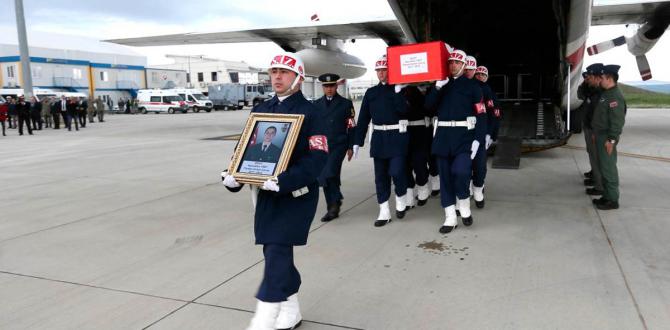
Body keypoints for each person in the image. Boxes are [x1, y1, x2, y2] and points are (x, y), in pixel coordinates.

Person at [221, 51, 328, 330]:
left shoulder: (314, 112)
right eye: (273, 72)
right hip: (265, 194)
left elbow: (318, 159)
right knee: (273, 251)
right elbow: (244, 151)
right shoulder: (260, 109)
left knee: (278, 249)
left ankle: (264, 319)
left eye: (284, 72)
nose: (277, 77)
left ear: (299, 78)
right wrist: (233, 175)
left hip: (296, 195)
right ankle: (291, 310)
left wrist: (286, 180)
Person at [425, 49, 486, 233]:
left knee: (461, 171)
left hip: (464, 138)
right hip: (443, 138)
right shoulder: (440, 85)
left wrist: (478, 139)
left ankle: (464, 204)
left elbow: (481, 115)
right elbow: (428, 107)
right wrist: (437, 87)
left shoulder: (473, 87)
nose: (453, 66)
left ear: (463, 65)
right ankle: (450, 217)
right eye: (451, 62)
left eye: (457, 63)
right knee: (445, 178)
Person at [353, 54, 410, 227]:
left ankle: (401, 197)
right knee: (380, 177)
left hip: (397, 138)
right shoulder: (371, 93)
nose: (381, 74)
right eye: (378, 70)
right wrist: (357, 141)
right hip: (379, 139)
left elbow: (405, 112)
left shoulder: (401, 90)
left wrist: (398, 93)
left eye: (384, 70)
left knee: (397, 171)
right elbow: (363, 119)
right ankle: (384, 211)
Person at [314, 73, 356, 221]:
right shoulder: (316, 105)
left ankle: (334, 203)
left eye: (331, 86)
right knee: (331, 176)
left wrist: (351, 146)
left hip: (338, 145)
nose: (329, 89)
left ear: (336, 86)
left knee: (327, 173)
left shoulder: (346, 104)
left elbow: (351, 126)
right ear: (322, 87)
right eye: (326, 86)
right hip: (322, 146)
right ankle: (333, 205)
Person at [591, 64, 626, 210]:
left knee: (608, 169)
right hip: (600, 136)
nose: (600, 80)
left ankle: (613, 200)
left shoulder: (615, 97)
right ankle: (606, 196)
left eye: (603, 78)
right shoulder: (606, 93)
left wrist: (611, 140)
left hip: (607, 138)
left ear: (610, 78)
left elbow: (617, 122)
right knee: (602, 167)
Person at [471, 65, 501, 208]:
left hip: (482, 133)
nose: (480, 76)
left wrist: (490, 134)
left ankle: (479, 186)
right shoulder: (468, 88)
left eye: (483, 75)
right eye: (478, 74)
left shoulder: (488, 92)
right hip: (468, 132)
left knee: (480, 165)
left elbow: (493, 114)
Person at [401, 84, 432, 207]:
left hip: (421, 130)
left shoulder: (427, 89)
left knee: (419, 162)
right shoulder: (402, 89)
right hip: (404, 130)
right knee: (405, 164)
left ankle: (422, 187)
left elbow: (429, 106)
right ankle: (409, 193)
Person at [578, 63, 605, 196]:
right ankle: (595, 176)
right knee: (592, 154)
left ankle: (600, 186)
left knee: (597, 157)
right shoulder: (592, 90)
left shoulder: (602, 93)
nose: (588, 79)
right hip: (589, 127)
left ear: (597, 77)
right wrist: (584, 82)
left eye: (590, 77)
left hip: (595, 130)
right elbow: (580, 94)